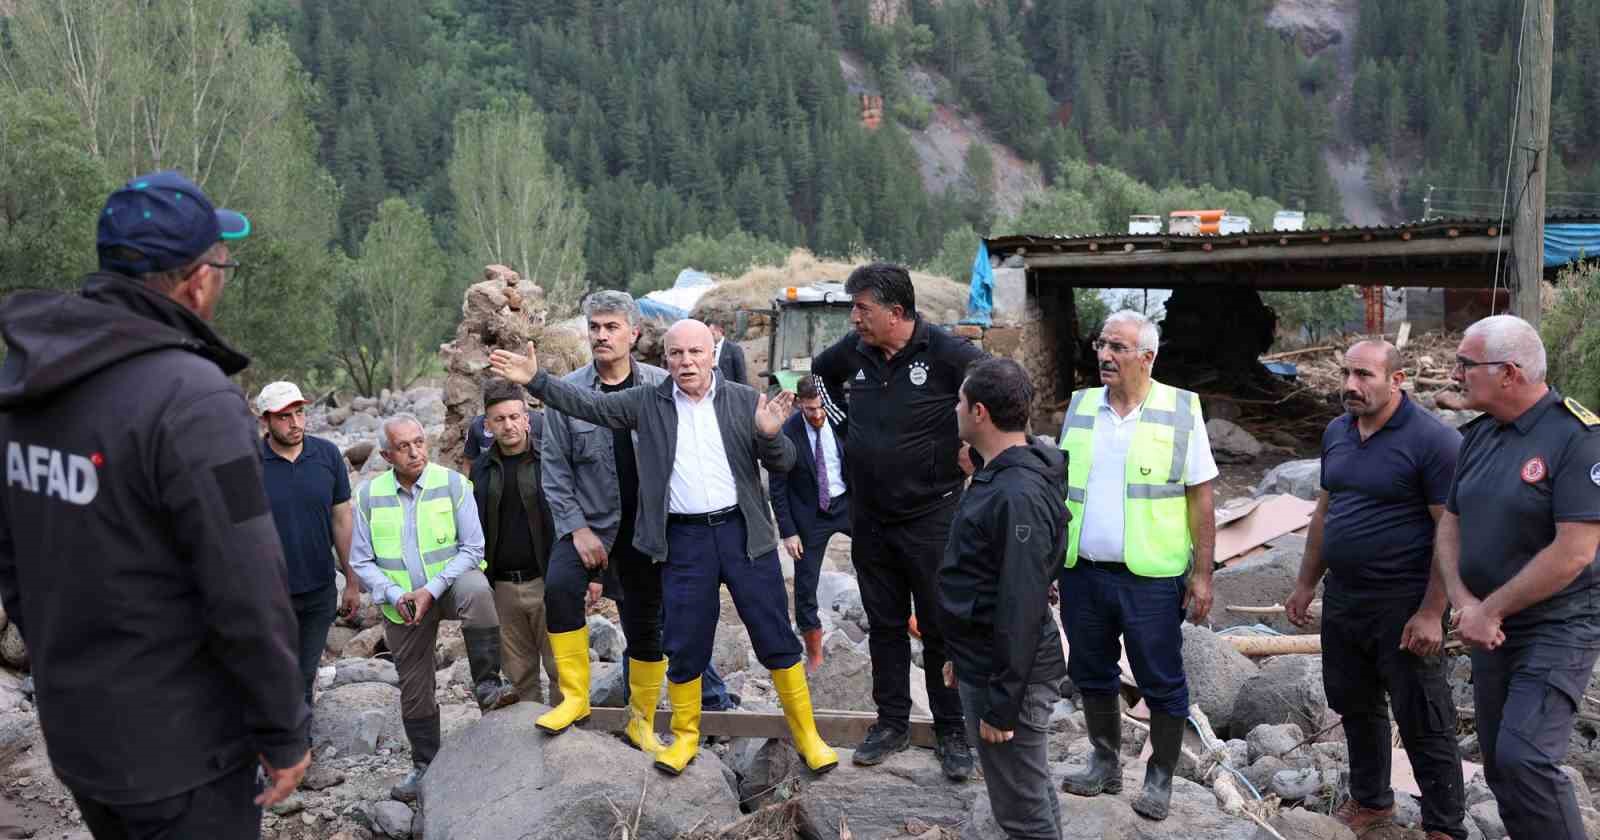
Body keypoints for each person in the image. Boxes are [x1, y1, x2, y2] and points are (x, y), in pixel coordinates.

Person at [0, 170, 308, 837]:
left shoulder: (27, 380)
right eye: (223, 265)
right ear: (198, 280)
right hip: (185, 754)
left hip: (82, 738)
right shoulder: (194, 400)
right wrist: (285, 731)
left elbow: (14, 561)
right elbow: (248, 583)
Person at [490, 319, 838, 777]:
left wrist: (771, 434)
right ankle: (686, 738)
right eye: (676, 354)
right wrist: (536, 381)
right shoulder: (648, 402)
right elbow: (588, 404)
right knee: (685, 640)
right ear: (665, 359)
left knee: (773, 633)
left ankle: (807, 734)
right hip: (684, 540)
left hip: (742, 536)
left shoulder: (741, 399)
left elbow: (786, 464)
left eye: (695, 353)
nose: (686, 362)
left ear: (713, 354)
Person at [535, 292, 733, 755]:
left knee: (647, 626)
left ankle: (640, 721)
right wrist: (576, 529)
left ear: (634, 333)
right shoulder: (569, 392)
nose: (601, 335)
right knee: (560, 588)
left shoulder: (666, 386)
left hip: (650, 532)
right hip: (592, 526)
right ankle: (575, 700)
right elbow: (555, 471)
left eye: (611, 327)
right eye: (595, 327)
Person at [1285, 340, 1467, 840]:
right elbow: (1326, 512)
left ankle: (1444, 826)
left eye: (1364, 375)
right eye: (1346, 374)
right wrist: (1305, 584)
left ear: (1398, 379)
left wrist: (1433, 611)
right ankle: (1372, 801)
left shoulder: (1433, 442)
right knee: (1354, 702)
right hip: (1345, 598)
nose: (1350, 385)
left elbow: (1449, 533)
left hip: (1403, 602)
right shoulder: (1337, 432)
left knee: (1423, 714)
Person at [811, 261, 979, 778]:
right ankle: (891, 722)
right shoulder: (853, 353)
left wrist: (973, 442)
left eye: (862, 308)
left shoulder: (947, 353)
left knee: (940, 626)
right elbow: (818, 376)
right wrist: (848, 432)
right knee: (884, 624)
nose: (854, 318)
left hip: (932, 516)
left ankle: (952, 730)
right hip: (871, 518)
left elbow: (996, 386)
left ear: (897, 312)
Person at [1435, 314, 1600, 840]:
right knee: (1501, 766)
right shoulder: (1480, 436)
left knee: (1526, 758)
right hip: (1489, 628)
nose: (1456, 373)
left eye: (1466, 363)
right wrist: (1465, 603)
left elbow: (1574, 551)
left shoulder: (1577, 438)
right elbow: (1450, 525)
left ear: (1509, 373)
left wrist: (1492, 609)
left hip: (1558, 625)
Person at [1055, 309, 1216, 821]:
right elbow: (1061, 489)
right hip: (1083, 571)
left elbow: (1201, 501)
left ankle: (1161, 776)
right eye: (1102, 344)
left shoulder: (1181, 409)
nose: (1104, 355)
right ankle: (1104, 761)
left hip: (1152, 576)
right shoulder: (1080, 407)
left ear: (1147, 357)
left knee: (1161, 678)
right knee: (1090, 671)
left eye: (1118, 348)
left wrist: (1203, 574)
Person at [349, 414, 518, 803]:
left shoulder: (454, 484)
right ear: (387, 455)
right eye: (404, 447)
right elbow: (360, 560)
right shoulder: (369, 495)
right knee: (414, 687)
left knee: (477, 588)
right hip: (401, 602)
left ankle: (488, 684)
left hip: (448, 584)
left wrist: (431, 588)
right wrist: (393, 594)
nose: (415, 452)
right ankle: (425, 764)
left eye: (419, 442)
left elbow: (474, 549)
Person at [939, 358, 1069, 840]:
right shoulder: (1002, 475)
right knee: (1027, 792)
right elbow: (981, 578)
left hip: (1011, 673)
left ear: (978, 412)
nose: (954, 409)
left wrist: (1002, 702)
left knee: (1021, 813)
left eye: (958, 401)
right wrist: (960, 656)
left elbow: (1021, 601)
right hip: (987, 662)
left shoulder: (1016, 493)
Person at [256, 380, 361, 739]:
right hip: (267, 592)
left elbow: (342, 518)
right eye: (285, 417)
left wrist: (352, 579)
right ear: (266, 421)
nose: (296, 423)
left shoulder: (328, 456)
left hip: (318, 589)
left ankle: (296, 754)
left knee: (304, 672)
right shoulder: (248, 462)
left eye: (300, 413)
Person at [470, 380, 559, 706]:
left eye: (513, 417)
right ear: (487, 425)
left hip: (548, 581)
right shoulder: (480, 469)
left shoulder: (551, 460)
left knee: (562, 671)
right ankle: (527, 750)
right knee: (520, 678)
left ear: (526, 418)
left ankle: (571, 751)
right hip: (503, 588)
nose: (508, 425)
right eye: (499, 419)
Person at [769, 375, 852, 674]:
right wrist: (788, 532)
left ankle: (905, 622)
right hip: (809, 514)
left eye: (820, 409)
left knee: (880, 560)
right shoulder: (788, 432)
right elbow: (778, 487)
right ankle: (814, 654)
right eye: (809, 410)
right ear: (798, 407)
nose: (817, 415)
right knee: (805, 585)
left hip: (847, 504)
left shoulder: (843, 421)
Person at [709, 316, 748, 387]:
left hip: (729, 392)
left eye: (712, 334)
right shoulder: (708, 349)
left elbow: (741, 376)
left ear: (720, 331)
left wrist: (740, 395)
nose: (710, 337)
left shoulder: (734, 349)